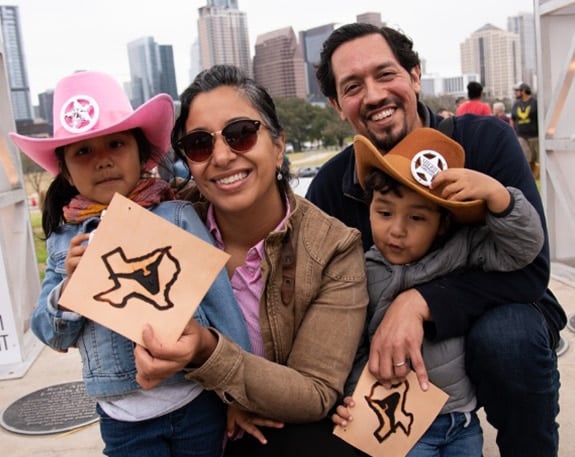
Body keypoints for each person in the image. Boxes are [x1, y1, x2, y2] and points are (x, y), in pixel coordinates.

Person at [307, 23, 566, 457]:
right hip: (397, 359)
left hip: (500, 314)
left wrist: (421, 302)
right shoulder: (332, 186)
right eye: (353, 86)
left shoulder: (485, 141)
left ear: (414, 75)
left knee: (508, 338)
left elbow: (532, 270)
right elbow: (327, 309)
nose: (372, 96)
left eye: (385, 74)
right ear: (337, 105)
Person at [9, 70, 252, 457]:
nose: (103, 160)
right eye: (83, 151)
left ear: (142, 154)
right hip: (122, 420)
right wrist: (70, 288)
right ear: (66, 171)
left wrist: (239, 391)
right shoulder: (63, 241)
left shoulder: (178, 216)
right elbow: (51, 334)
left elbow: (221, 303)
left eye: (116, 144)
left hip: (196, 401)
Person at [133, 64, 369, 457]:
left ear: (278, 146)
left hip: (278, 432)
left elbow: (314, 392)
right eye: (199, 144)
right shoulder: (163, 223)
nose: (222, 156)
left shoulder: (333, 248)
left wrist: (208, 351)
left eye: (240, 134)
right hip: (190, 425)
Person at [332, 128, 544, 457]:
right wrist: (354, 399)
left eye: (417, 217)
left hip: (461, 421)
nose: (397, 230)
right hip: (401, 427)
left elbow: (523, 248)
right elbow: (348, 348)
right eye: (384, 213)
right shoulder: (358, 270)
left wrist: (498, 196)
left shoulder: (461, 251)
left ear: (442, 224)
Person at [511, 82, 540, 179]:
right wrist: (513, 131)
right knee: (526, 158)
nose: (515, 93)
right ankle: (530, 178)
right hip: (521, 135)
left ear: (523, 91)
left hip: (535, 135)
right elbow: (513, 118)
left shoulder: (534, 102)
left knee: (537, 159)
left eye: (517, 91)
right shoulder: (516, 104)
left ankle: (537, 177)